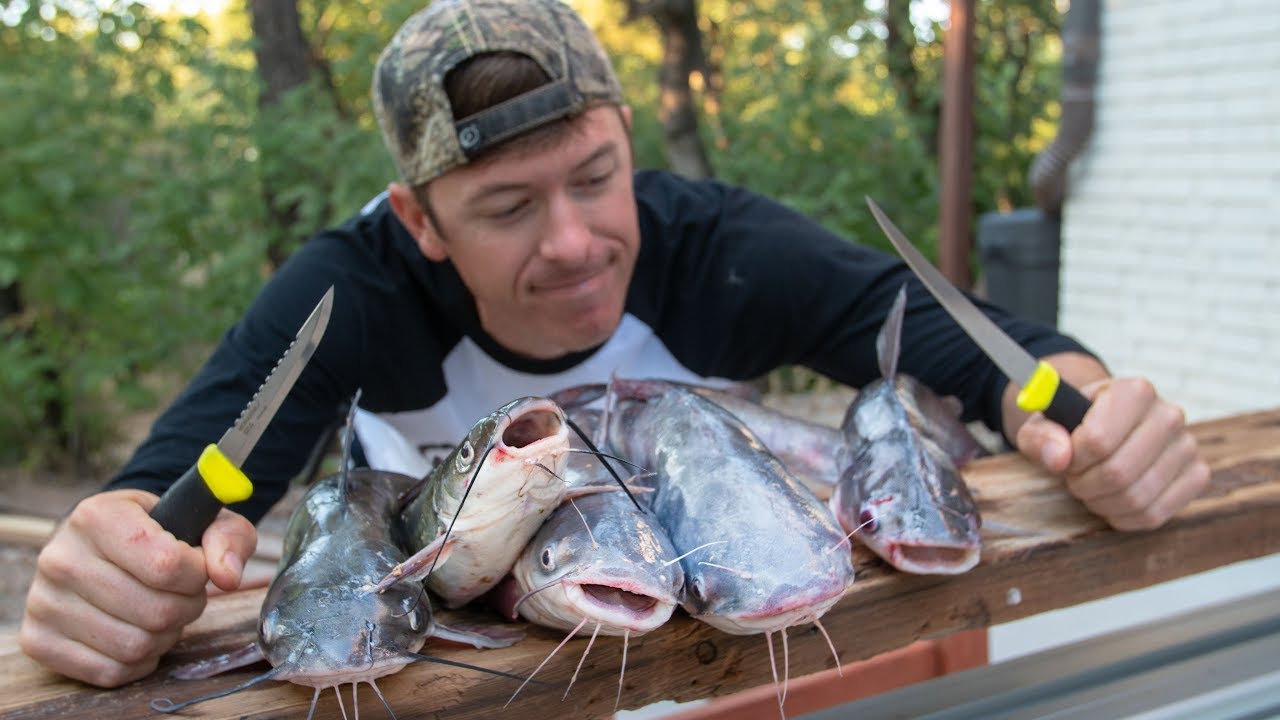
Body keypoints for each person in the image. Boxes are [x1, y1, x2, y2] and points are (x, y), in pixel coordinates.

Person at [19, 0, 1209, 689]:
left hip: (746, 674)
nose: (578, 241)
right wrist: (114, 573)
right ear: (418, 221)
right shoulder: (349, 298)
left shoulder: (721, 249)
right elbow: (168, 495)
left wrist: (1098, 416)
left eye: (596, 176)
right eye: (505, 208)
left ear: (628, 142)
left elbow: (994, 359)